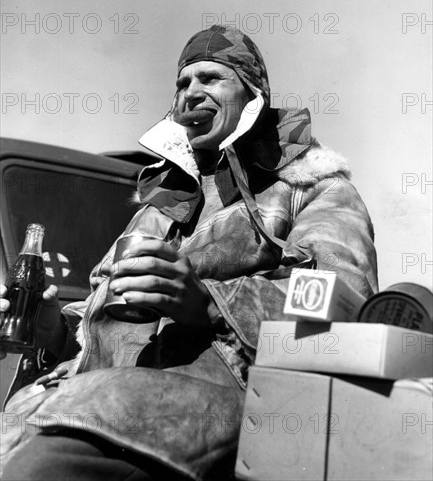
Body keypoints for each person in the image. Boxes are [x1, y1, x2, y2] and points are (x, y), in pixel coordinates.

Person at [0, 25, 378, 480]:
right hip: (86, 402)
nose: (191, 94)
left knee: (47, 470)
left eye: (212, 79)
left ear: (252, 93)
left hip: (200, 408)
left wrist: (206, 302)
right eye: (183, 83)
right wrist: (56, 333)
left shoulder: (313, 190)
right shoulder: (158, 211)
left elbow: (344, 308)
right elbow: (101, 307)